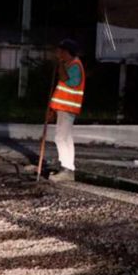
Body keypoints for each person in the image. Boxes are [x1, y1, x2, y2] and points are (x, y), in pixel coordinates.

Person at [47, 39, 85, 182]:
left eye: (61, 51)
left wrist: (60, 64)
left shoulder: (74, 65)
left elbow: (67, 80)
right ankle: (68, 169)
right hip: (64, 107)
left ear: (68, 52)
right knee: (66, 138)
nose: (59, 54)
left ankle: (66, 169)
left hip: (68, 107)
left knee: (60, 138)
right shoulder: (71, 64)